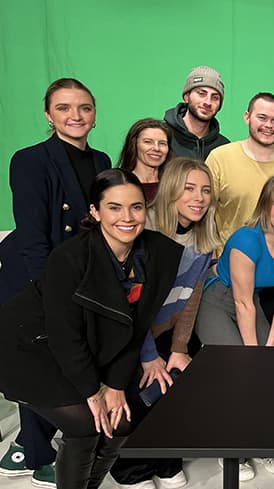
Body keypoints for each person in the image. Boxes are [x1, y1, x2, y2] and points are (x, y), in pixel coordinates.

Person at [0, 169, 183, 489]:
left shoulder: (159, 253)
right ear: (95, 212)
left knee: (121, 422)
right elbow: (65, 335)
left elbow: (138, 324)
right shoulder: (70, 258)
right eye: (114, 207)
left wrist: (115, 384)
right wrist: (92, 391)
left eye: (136, 207)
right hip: (28, 349)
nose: (127, 217)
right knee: (86, 425)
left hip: (84, 349)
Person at [0, 77, 112, 489]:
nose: (75, 116)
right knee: (41, 364)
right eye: (64, 108)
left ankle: (31, 447)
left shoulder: (101, 161)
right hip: (35, 277)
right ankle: (37, 454)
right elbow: (33, 237)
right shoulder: (29, 160)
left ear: (94, 114)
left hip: (79, 275)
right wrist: (51, 294)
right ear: (48, 115)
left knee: (65, 359)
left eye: (84, 107)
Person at [108, 158, 221, 489]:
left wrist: (179, 347)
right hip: (131, 333)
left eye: (205, 190)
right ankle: (131, 470)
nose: (199, 198)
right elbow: (133, 305)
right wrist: (148, 355)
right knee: (144, 389)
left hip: (167, 330)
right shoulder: (147, 232)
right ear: (171, 189)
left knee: (185, 383)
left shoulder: (202, 236)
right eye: (189, 189)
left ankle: (167, 460)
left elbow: (191, 297)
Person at [195, 175, 274, 480]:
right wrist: (254, 355)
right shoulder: (245, 240)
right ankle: (231, 448)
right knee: (240, 368)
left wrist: (270, 347)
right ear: (265, 206)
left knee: (271, 366)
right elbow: (242, 303)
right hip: (217, 298)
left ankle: (261, 441)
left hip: (254, 300)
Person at [205, 92, 274, 244]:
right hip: (230, 256)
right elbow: (204, 213)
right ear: (247, 117)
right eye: (262, 118)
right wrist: (212, 255)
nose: (268, 125)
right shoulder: (219, 158)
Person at [163, 66, 229, 160]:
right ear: (187, 97)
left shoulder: (224, 148)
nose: (208, 102)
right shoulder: (163, 137)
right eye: (201, 94)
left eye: (215, 97)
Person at [117, 118, 174, 203]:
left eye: (162, 143)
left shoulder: (175, 186)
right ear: (134, 145)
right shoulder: (119, 184)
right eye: (148, 142)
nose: (156, 148)